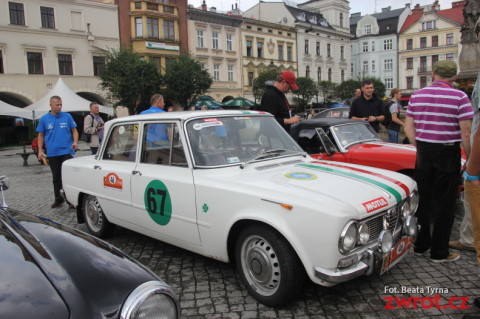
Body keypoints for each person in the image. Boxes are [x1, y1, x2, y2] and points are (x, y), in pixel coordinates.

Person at [404, 60, 474, 262]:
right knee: (445, 204)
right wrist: (469, 158)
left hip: (424, 151)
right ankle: (439, 252)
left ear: (433, 75)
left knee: (423, 200)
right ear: (454, 77)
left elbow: (408, 128)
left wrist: (421, 146)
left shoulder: (417, 95)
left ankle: (420, 244)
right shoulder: (460, 96)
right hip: (448, 152)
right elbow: (466, 133)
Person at [36, 96, 78, 208]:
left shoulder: (67, 116)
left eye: (60, 104)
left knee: (67, 176)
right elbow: (40, 135)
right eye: (57, 105)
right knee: (56, 177)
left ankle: (70, 200)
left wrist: (75, 142)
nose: (59, 107)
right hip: (52, 152)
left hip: (66, 151)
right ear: (51, 105)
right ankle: (58, 198)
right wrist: (40, 150)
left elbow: (74, 131)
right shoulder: (44, 119)